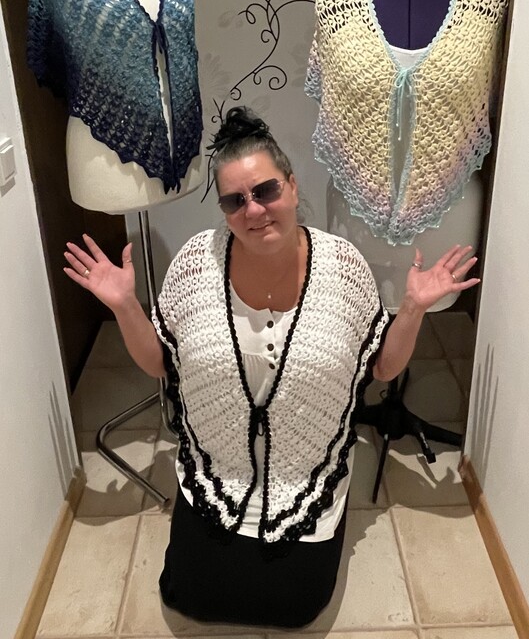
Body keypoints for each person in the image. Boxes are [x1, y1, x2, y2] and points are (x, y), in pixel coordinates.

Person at [64, 107, 479, 629]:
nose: (254, 210)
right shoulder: (195, 265)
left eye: (265, 191)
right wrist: (125, 305)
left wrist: (413, 309)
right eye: (235, 200)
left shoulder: (343, 267)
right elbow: (160, 363)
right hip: (218, 465)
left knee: (293, 608)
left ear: (292, 186)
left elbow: (381, 370)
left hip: (305, 469)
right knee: (187, 595)